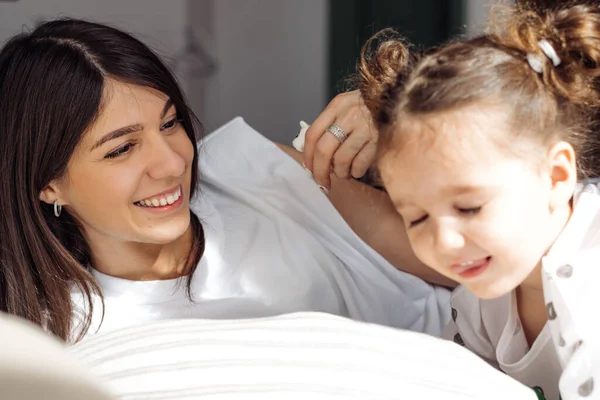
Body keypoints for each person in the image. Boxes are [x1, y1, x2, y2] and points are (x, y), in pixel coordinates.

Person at [0, 18, 454, 343]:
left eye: (170, 123)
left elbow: (460, 260)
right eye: (121, 149)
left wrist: (412, 129)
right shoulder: (53, 336)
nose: (172, 164)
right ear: (48, 183)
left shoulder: (254, 173)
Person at [357, 3, 600, 400]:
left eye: (469, 208)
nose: (444, 240)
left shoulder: (590, 288)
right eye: (416, 219)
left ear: (555, 178)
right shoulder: (480, 293)